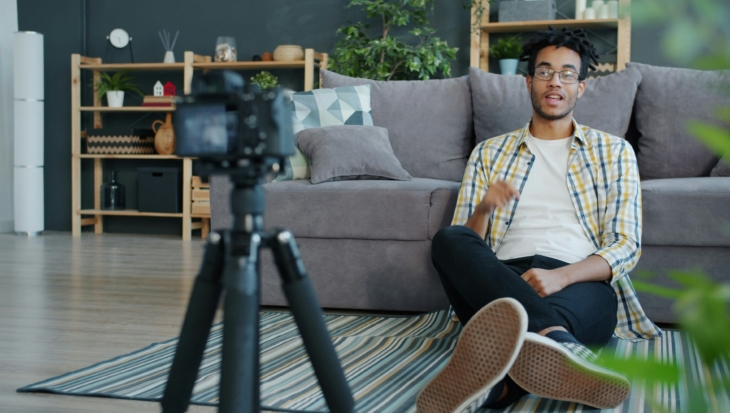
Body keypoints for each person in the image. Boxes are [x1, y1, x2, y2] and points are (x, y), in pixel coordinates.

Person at [416, 27, 662, 413]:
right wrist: (484, 208)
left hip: (579, 279)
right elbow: (468, 245)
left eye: (567, 74)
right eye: (545, 72)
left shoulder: (614, 152)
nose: (555, 82)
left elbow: (626, 245)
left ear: (581, 87)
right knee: (448, 239)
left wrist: (562, 276)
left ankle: (497, 387)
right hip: (501, 281)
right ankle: (560, 345)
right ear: (529, 82)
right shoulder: (489, 153)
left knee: (537, 322)